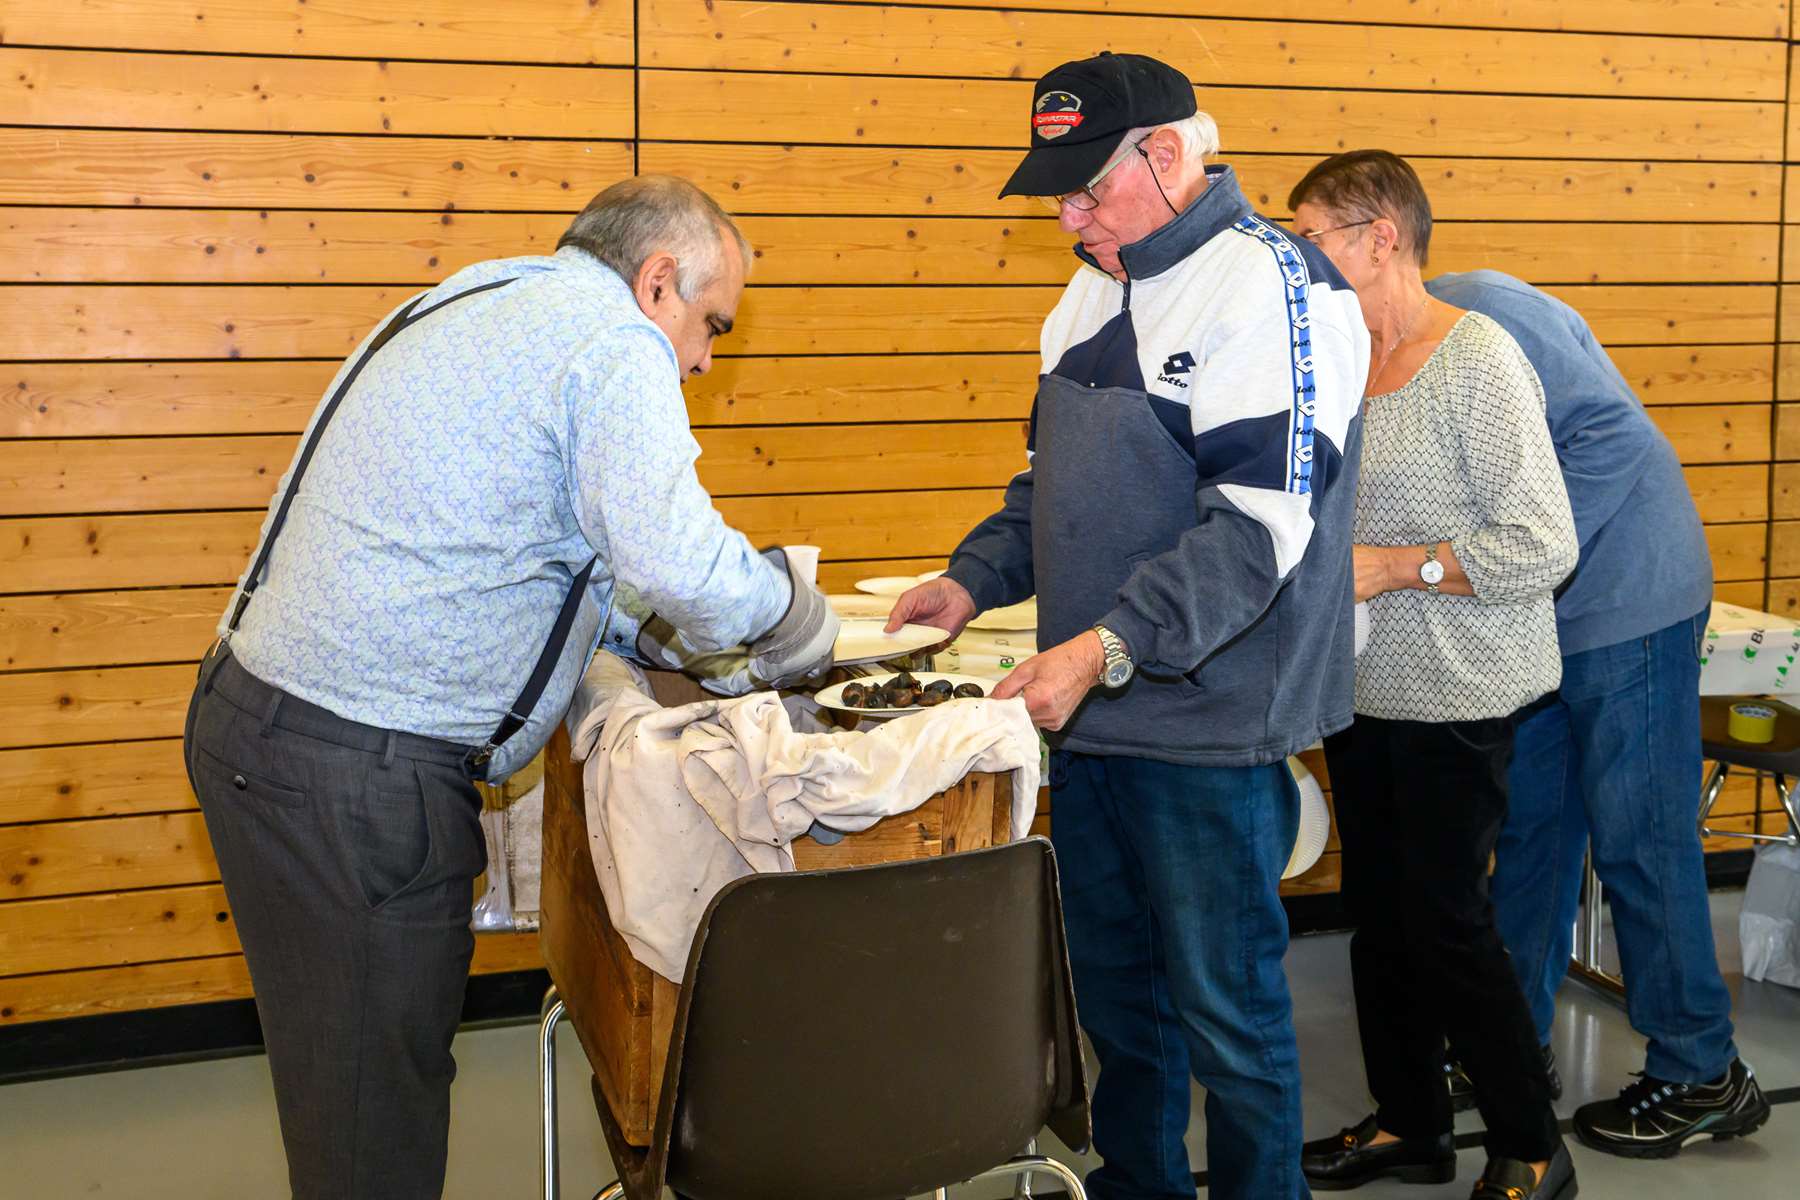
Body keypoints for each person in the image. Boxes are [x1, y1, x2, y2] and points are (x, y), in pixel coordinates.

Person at [182, 175, 837, 1199]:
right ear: (657, 279)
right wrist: (790, 616)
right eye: (709, 324)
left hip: (269, 730)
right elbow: (674, 559)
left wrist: (656, 631)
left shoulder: (487, 292)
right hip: (354, 772)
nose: (706, 359)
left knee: (354, 1091)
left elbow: (539, 540)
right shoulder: (614, 343)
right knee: (372, 1130)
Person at [887, 52, 1368, 1200]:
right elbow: (1043, 483)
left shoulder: (1277, 289)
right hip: (1097, 713)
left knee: (1229, 1016)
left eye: (1086, 188)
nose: (1068, 215)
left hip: (1207, 725)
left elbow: (1257, 531)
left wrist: (1106, 648)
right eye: (1054, 191)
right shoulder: (1091, 284)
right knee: (1119, 1005)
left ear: (1168, 155)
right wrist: (973, 580)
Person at [1426, 263, 1772, 1154]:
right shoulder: (1366, 344)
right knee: (1533, 830)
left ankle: (1702, 1070)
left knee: (1639, 836)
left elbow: (1613, 438)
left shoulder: (1484, 311)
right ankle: (1510, 1042)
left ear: (1380, 242)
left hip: (1630, 596)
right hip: (1537, 617)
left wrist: (1515, 557)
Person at [1287, 151, 1578, 1199]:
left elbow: (1545, 543)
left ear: (1383, 237)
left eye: (1314, 231)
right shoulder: (1335, 360)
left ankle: (1533, 1144)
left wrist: (1399, 567)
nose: (1299, 251)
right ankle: (1411, 1124)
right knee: (1382, 918)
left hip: (1463, 692)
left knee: (1449, 921)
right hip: (1362, 689)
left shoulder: (1479, 360)